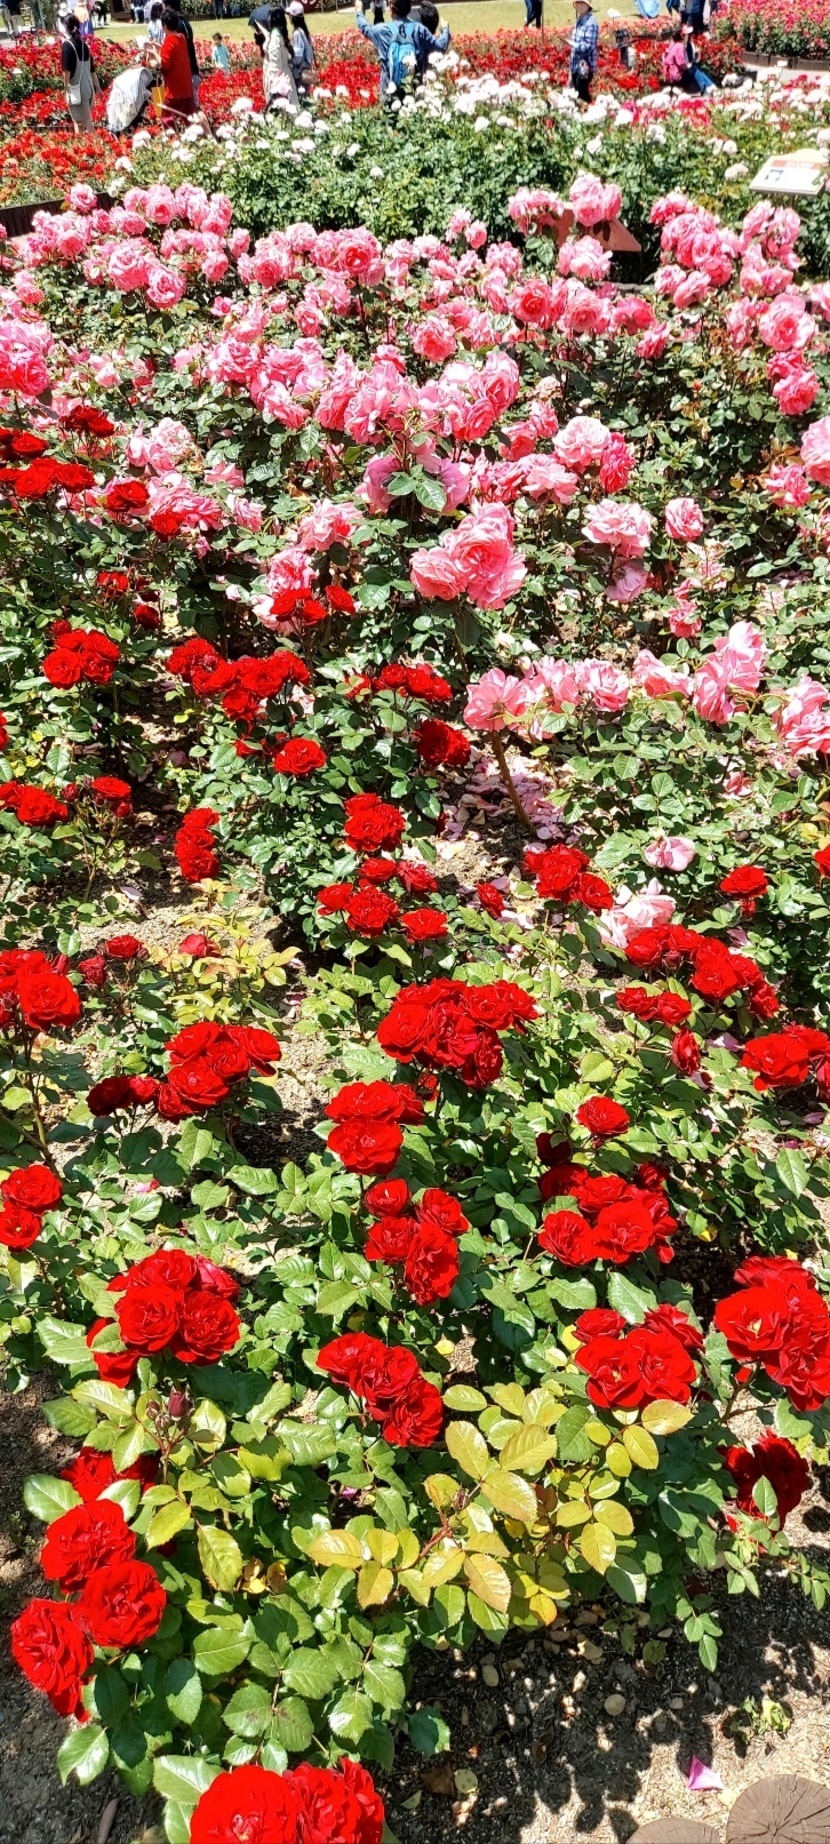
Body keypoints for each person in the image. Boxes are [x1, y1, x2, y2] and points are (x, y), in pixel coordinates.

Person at [354, 0, 449, 101]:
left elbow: (365, 27)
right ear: (409, 8)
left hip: (389, 95)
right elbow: (441, 46)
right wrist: (445, 29)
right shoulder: (419, 30)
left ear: (391, 9)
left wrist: (359, 10)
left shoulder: (382, 31)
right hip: (414, 95)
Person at [158, 4, 196, 123]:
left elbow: (164, 63)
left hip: (174, 90)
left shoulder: (169, 40)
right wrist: (159, 47)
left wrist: (154, 53)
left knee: (167, 119)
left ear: (165, 26)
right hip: (186, 88)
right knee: (189, 119)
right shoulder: (181, 37)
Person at [61, 14, 98, 132]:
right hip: (89, 88)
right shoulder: (84, 45)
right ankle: (80, 142)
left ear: (66, 27)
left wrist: (67, 90)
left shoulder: (67, 45)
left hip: (77, 90)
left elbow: (66, 72)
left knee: (86, 121)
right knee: (78, 121)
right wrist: (98, 88)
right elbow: (92, 69)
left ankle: (97, 142)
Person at [263, 5, 298, 108]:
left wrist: (274, 84)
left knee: (282, 109)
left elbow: (275, 64)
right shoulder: (279, 35)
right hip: (284, 75)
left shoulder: (275, 37)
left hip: (280, 79)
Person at [165, 0, 201, 101]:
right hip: (191, 69)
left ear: (168, 6)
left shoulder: (174, 26)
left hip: (183, 74)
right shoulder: (184, 22)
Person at [106, 61, 154, 130]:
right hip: (128, 92)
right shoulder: (134, 85)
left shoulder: (136, 82)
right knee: (126, 110)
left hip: (127, 89)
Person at [569, 0, 597, 101]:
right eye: (577, 3)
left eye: (582, 3)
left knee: (582, 96)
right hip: (575, 66)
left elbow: (589, 46)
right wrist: (570, 74)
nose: (579, 5)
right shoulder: (579, 20)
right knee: (577, 95)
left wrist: (573, 44)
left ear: (588, 6)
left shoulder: (591, 22)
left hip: (585, 68)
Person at [287, 0, 314, 94]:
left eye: (290, 15)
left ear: (293, 17)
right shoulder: (304, 31)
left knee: (301, 95)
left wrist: (289, 57)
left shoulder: (297, 33)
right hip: (307, 70)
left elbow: (298, 58)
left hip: (300, 74)